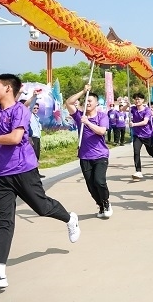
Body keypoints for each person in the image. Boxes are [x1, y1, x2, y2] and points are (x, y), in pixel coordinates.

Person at [0, 75, 80, 290]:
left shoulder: (20, 110)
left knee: (42, 207)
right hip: (1, 174)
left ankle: (70, 218)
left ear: (8, 89)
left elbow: (15, 138)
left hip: (23, 170)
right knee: (3, 221)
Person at [66, 85, 113, 218]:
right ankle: (100, 205)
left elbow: (102, 131)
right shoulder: (79, 116)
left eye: (90, 101)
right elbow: (68, 102)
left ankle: (106, 202)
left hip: (100, 155)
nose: (87, 103)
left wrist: (87, 122)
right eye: (86, 101)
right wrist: (83, 91)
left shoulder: (102, 116)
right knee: (91, 186)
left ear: (96, 103)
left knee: (99, 181)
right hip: (85, 156)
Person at [129, 93, 153, 179]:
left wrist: (134, 124)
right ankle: (138, 171)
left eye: (139, 99)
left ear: (143, 100)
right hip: (137, 135)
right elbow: (123, 109)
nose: (137, 101)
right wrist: (127, 104)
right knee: (136, 152)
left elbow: (145, 122)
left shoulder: (147, 110)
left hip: (147, 135)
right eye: (136, 99)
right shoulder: (133, 109)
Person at [22, 91, 45, 178]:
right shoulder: (30, 115)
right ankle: (33, 174)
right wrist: (34, 96)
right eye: (34, 108)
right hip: (33, 138)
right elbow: (30, 106)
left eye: (37, 108)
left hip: (37, 138)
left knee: (37, 155)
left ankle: (36, 172)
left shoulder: (37, 117)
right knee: (33, 156)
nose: (35, 109)